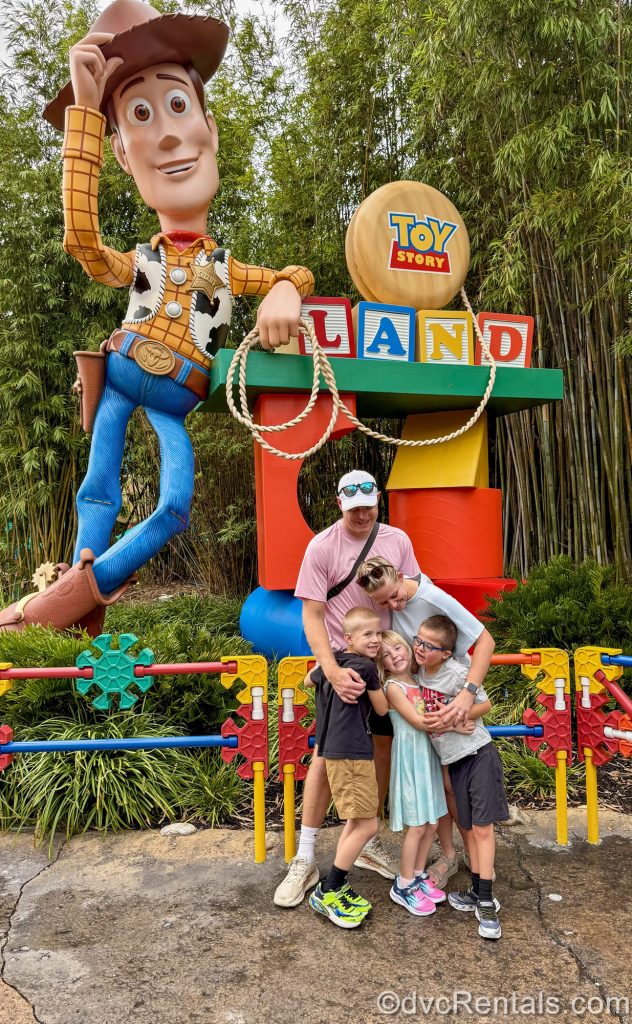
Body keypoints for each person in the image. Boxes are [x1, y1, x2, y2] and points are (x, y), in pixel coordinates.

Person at [0, 0, 314, 633]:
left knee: (175, 505)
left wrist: (287, 290)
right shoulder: (139, 259)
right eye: (140, 115)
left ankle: (71, 598)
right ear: (121, 153)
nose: (168, 134)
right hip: (121, 371)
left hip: (178, 393)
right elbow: (83, 244)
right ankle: (79, 572)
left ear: (209, 124)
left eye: (177, 106)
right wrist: (85, 116)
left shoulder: (225, 268)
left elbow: (292, 274)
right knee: (97, 488)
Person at [273, 470, 420, 908]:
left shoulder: (396, 539)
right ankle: (305, 857)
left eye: (369, 506)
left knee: (382, 749)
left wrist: (400, 590)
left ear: (378, 501)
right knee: (324, 756)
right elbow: (312, 615)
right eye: (353, 508)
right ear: (339, 504)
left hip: (386, 663)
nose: (362, 514)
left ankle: (366, 837)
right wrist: (331, 670)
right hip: (343, 666)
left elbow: (414, 582)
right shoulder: (322, 547)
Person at [356, 555, 496, 888]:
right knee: (442, 786)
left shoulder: (431, 597)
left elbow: (486, 641)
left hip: (452, 693)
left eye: (394, 594)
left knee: (455, 786)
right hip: (424, 699)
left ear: (401, 575)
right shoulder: (392, 610)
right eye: (384, 602)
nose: (394, 603)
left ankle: (477, 863)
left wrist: (466, 695)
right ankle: (449, 855)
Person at [414, 615, 509, 940]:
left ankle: (486, 903)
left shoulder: (455, 672)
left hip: (478, 755)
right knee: (467, 826)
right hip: (453, 761)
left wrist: (458, 712)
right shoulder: (416, 676)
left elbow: (485, 703)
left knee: (482, 828)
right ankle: (476, 891)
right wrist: (450, 725)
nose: (420, 648)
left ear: (445, 653)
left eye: (429, 645)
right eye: (418, 640)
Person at [305, 606, 389, 928]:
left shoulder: (333, 662)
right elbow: (381, 709)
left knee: (356, 822)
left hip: (332, 750)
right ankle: (330, 890)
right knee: (367, 826)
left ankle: (333, 885)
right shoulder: (367, 668)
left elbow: (305, 679)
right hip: (353, 751)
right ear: (349, 637)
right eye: (368, 634)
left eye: (379, 633)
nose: (376, 640)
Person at [379, 630, 450, 917]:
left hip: (428, 757)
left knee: (432, 823)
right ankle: (404, 882)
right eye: (386, 654)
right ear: (382, 663)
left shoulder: (420, 680)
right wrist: (455, 722)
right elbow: (419, 721)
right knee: (417, 826)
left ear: (407, 647)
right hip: (410, 759)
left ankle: (418, 874)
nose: (395, 655)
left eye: (397, 648)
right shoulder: (393, 686)